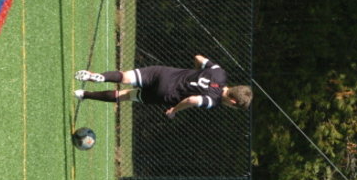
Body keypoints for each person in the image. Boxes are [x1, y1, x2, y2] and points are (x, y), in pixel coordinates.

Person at [73, 55, 252, 118]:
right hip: (165, 94)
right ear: (233, 101)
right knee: (125, 95)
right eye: (232, 106)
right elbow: (192, 100)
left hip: (164, 74)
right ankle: (84, 94)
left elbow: (198, 57)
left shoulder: (219, 73)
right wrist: (175, 110)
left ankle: (98, 77)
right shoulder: (213, 101)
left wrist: (196, 73)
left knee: (125, 76)